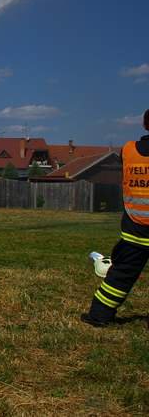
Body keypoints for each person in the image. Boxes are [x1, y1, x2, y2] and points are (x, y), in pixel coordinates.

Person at [82, 108, 149, 327]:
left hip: (134, 230)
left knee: (119, 277)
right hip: (135, 229)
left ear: (144, 125)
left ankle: (99, 316)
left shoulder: (128, 150)